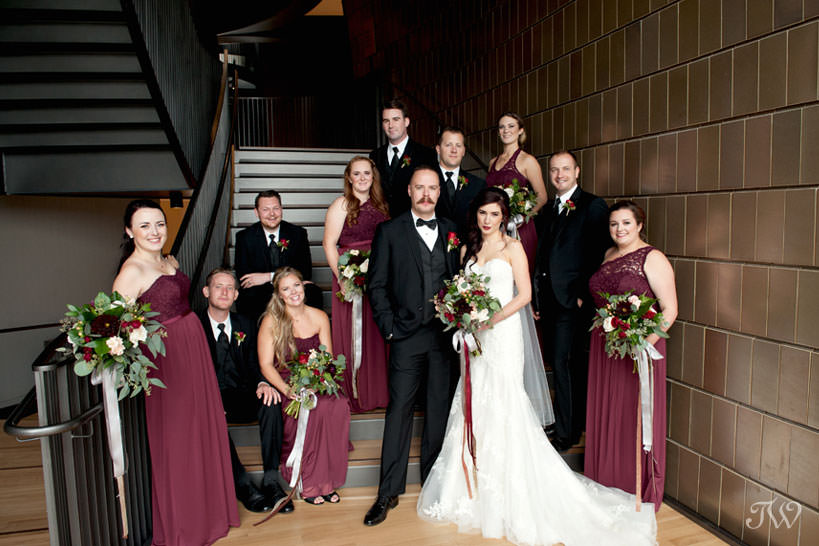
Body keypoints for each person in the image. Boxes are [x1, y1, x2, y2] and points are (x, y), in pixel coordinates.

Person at [417, 188, 657, 546]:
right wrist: (465, 318)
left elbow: (525, 295)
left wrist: (491, 319)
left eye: (494, 215)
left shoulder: (513, 248)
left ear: (503, 217)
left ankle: (510, 480)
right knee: (475, 399)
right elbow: (460, 292)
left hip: (503, 333)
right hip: (475, 339)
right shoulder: (468, 250)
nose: (487, 220)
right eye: (482, 214)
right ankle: (473, 481)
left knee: (504, 398)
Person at [112, 200, 238, 545]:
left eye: (159, 224)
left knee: (200, 429)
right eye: (144, 226)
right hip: (166, 361)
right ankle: (187, 524)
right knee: (179, 438)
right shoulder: (131, 271)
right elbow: (113, 329)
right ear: (129, 231)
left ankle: (211, 511)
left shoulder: (166, 260)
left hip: (192, 348)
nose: (154, 232)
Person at [364, 166, 460, 526]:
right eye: (419, 187)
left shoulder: (452, 229)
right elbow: (377, 285)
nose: (426, 194)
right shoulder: (389, 232)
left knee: (437, 411)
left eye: (432, 188)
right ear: (409, 190)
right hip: (406, 336)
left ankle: (433, 486)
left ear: (438, 192)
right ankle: (387, 491)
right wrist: (390, 329)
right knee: (399, 411)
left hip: (444, 336)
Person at [585, 201, 677, 511]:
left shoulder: (653, 258)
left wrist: (643, 344)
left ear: (639, 225)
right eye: (614, 224)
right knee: (607, 410)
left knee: (630, 414)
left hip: (638, 348)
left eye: (625, 223)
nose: (619, 229)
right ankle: (604, 478)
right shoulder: (608, 255)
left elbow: (670, 310)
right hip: (606, 347)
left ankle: (631, 484)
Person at [197, 268, 293, 514]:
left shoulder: (247, 323)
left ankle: (271, 480)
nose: (224, 292)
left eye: (230, 288)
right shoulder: (194, 325)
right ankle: (242, 485)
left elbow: (258, 360)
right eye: (219, 286)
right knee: (211, 415)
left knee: (271, 402)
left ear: (236, 295)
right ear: (206, 291)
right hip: (210, 397)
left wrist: (263, 382)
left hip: (244, 392)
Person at [533, 150, 611, 452]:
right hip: (551, 302)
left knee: (566, 363)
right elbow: (543, 256)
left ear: (577, 172)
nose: (559, 175)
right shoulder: (549, 209)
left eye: (565, 169)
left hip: (573, 301)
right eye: (554, 170)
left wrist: (582, 294)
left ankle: (566, 432)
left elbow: (599, 253)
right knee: (561, 362)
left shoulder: (592, 206)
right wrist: (538, 298)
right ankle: (569, 422)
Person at [257, 267, 350, 505]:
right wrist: (288, 391)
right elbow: (266, 365)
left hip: (317, 379)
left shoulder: (319, 316)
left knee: (337, 404)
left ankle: (327, 480)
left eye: (296, 285)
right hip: (288, 382)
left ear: (304, 285)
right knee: (312, 409)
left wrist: (320, 380)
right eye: (286, 289)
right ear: (279, 294)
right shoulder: (272, 321)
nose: (293, 292)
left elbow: (327, 358)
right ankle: (308, 481)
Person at [322, 156, 390, 413]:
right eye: (357, 174)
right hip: (349, 276)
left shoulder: (381, 206)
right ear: (349, 177)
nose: (362, 178)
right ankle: (354, 392)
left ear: (373, 177)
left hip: (377, 276)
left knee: (374, 333)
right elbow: (329, 244)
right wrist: (341, 277)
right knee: (352, 334)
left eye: (367, 174)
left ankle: (376, 393)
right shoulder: (341, 205)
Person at [234, 190, 320, 324]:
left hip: (291, 288)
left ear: (281, 209)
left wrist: (269, 276)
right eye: (265, 209)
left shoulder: (298, 234)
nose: (272, 214)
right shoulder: (244, 237)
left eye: (276, 208)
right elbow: (245, 278)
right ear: (256, 212)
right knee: (247, 297)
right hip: (260, 292)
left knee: (313, 292)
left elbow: (305, 272)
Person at [486, 112, 548, 271]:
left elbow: (542, 197)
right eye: (502, 127)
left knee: (519, 274)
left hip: (520, 229)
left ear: (520, 130)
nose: (506, 130)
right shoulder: (493, 162)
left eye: (511, 126)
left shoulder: (528, 160)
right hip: (494, 227)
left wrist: (521, 217)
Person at [369, 99, 437, 217]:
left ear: (406, 121)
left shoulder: (425, 154)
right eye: (386, 121)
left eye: (396, 119)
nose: (391, 125)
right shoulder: (375, 155)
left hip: (412, 224)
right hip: (382, 224)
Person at [433, 126, 486, 239]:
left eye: (458, 145)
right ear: (438, 149)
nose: (454, 150)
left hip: (467, 250)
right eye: (448, 145)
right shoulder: (425, 182)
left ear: (463, 151)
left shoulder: (478, 185)